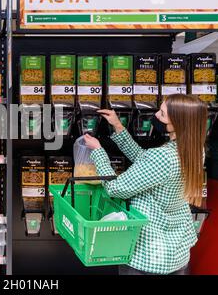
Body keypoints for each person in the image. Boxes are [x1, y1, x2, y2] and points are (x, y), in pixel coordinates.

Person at [84, 94, 208, 275]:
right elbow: (145, 161)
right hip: (176, 253)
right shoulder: (195, 151)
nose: (156, 115)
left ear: (179, 123)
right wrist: (118, 126)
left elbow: (115, 188)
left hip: (148, 256)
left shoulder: (163, 157)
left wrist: (98, 152)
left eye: (163, 114)